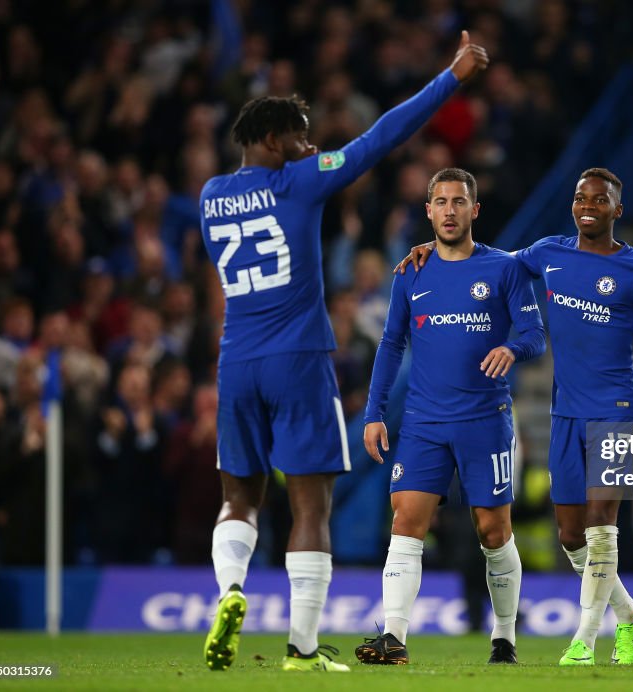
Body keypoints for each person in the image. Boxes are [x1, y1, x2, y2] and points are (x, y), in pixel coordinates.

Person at [197, 32, 489, 674]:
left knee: (238, 497)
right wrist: (451, 78)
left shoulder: (211, 196)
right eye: (302, 137)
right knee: (310, 505)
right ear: (273, 143)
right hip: (299, 359)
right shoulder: (297, 180)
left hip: (235, 360)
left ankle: (231, 593)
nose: (312, 147)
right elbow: (380, 138)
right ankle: (301, 650)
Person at [399, 167, 633, 665]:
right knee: (572, 536)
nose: (588, 205)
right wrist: (434, 254)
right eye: (581, 197)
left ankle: (584, 639)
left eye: (600, 200)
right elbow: (490, 266)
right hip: (566, 413)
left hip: (617, 408)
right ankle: (630, 614)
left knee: (603, 523)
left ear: (617, 211)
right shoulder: (549, 254)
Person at [355, 168, 544, 665]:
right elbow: (391, 343)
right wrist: (375, 413)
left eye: (459, 201)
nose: (449, 210)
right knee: (406, 520)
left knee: (492, 531)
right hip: (423, 421)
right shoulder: (411, 271)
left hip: (485, 419)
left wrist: (511, 347)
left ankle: (504, 636)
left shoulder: (504, 269)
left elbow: (534, 334)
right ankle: (393, 637)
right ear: (429, 211)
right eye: (440, 201)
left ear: (474, 210)